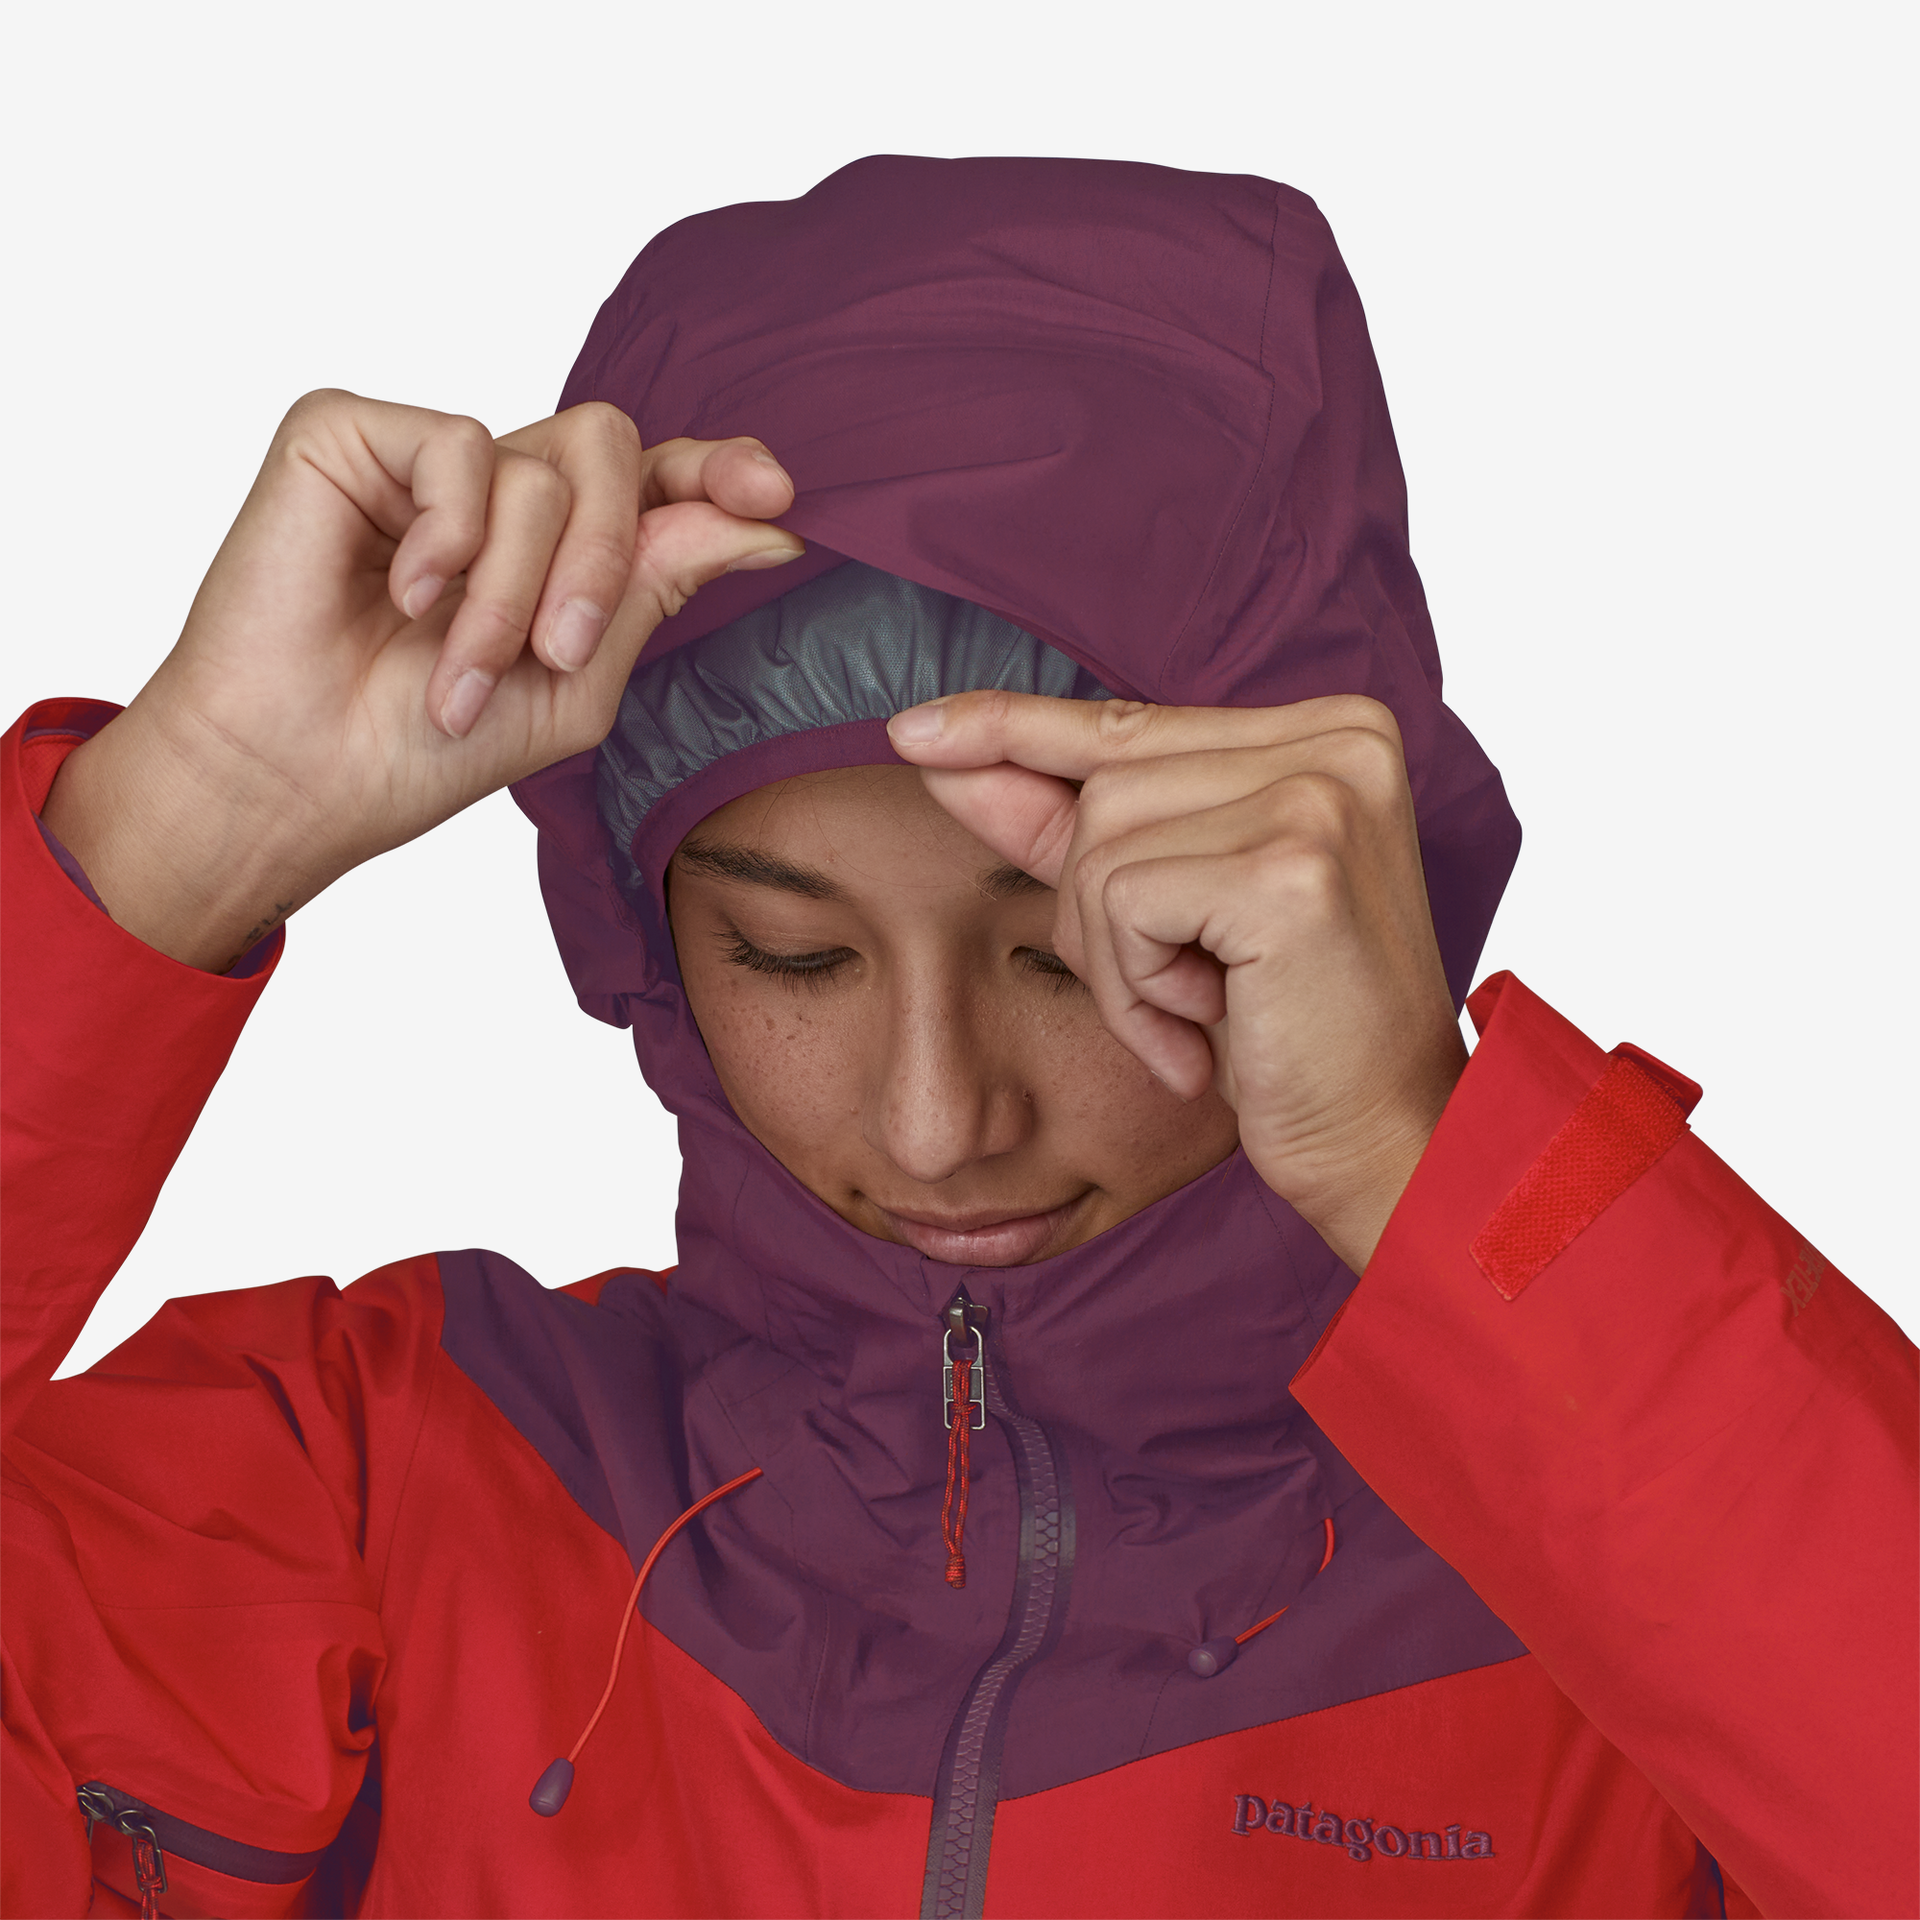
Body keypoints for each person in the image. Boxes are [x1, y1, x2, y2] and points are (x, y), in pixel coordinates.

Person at [2, 155, 1912, 1920]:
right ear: (648, 947)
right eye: (794, 955)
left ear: (1320, 906)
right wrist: (181, 826)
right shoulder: (375, 1491)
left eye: (1067, 954)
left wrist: (1423, 1162)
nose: (937, 1121)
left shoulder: (1633, 1620)